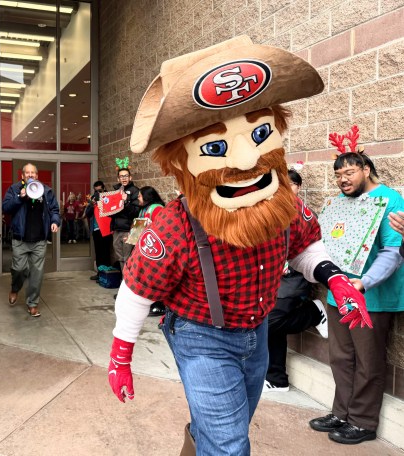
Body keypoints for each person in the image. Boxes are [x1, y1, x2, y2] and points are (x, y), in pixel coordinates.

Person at [106, 36, 369, 456]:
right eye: (214, 147)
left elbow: (303, 247)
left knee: (226, 428)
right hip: (200, 335)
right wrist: (121, 354)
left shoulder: (284, 204)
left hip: (257, 330)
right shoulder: (175, 226)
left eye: (259, 133)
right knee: (230, 446)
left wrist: (333, 277)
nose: (247, 161)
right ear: (181, 161)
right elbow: (138, 290)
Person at [308, 148, 404, 445]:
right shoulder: (339, 203)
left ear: (366, 169)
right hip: (339, 295)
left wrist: (363, 283)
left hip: (372, 297)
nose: (342, 180)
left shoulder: (390, 201)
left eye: (349, 173)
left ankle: (362, 421)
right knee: (340, 356)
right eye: (338, 175)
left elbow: (393, 252)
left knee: (367, 360)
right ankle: (341, 413)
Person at [263, 169, 328, 393]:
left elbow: (310, 251)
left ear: (298, 187)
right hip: (272, 282)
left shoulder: (304, 214)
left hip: (293, 279)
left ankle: (312, 312)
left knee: (269, 322)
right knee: (272, 325)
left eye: (290, 184)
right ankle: (277, 378)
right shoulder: (273, 213)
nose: (285, 189)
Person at [2, 163, 61, 317]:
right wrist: (19, 197)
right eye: (27, 173)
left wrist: (55, 222)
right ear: (22, 176)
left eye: (33, 173)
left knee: (37, 273)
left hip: (40, 240)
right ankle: (15, 288)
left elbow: (54, 209)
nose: (30, 175)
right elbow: (6, 208)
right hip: (20, 239)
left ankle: (32, 303)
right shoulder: (14, 189)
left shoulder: (46, 191)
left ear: (37, 175)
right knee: (19, 269)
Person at [136, 186, 166, 317]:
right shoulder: (145, 209)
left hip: (155, 250)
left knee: (156, 277)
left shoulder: (157, 209)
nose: (138, 198)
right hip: (147, 248)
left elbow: (161, 228)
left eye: (140, 195)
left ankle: (159, 305)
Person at [109, 167, 140, 272]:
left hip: (128, 229)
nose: (124, 178)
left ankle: (127, 283)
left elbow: (136, 212)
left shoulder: (135, 191)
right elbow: (113, 212)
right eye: (121, 176)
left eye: (126, 176)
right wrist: (105, 209)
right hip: (117, 229)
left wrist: (126, 201)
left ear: (130, 177)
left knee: (127, 257)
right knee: (120, 257)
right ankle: (124, 281)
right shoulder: (116, 191)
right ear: (118, 179)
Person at [85, 181, 113, 281]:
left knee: (105, 252)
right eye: (96, 191)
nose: (98, 193)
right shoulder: (93, 198)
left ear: (104, 188)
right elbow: (87, 213)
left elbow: (112, 211)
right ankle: (100, 273)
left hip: (106, 229)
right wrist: (92, 205)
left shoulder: (108, 197)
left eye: (100, 190)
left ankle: (106, 273)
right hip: (96, 229)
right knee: (98, 252)